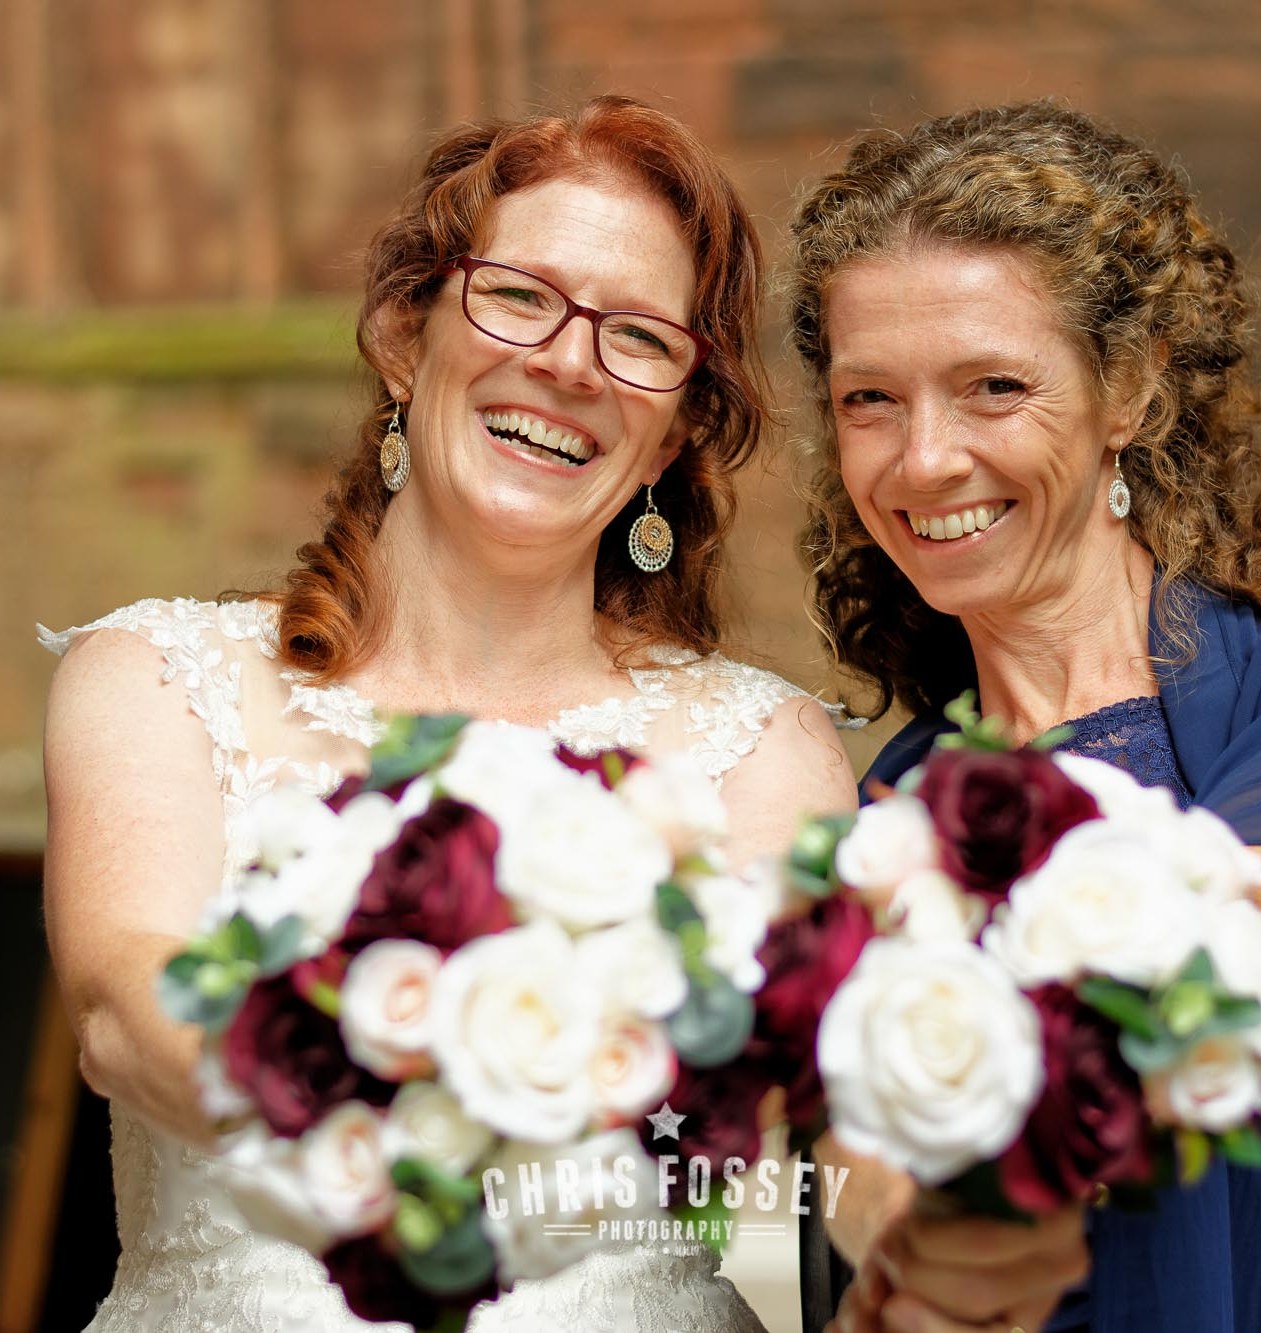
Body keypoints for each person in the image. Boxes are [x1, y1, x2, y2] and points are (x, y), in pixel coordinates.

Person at [40, 96, 1081, 1333]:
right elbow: (123, 1008)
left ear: (677, 432)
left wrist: (922, 1239)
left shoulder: (759, 752)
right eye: (520, 297)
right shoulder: (152, 676)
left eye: (637, 336)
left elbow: (822, 1109)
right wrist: (420, 1151)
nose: (570, 363)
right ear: (402, 334)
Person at [788, 100, 1261, 1332]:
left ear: (1127, 386)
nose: (922, 460)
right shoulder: (882, 809)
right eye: (869, 398)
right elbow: (862, 1185)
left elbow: (1182, 972)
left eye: (992, 386)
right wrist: (882, 1213)